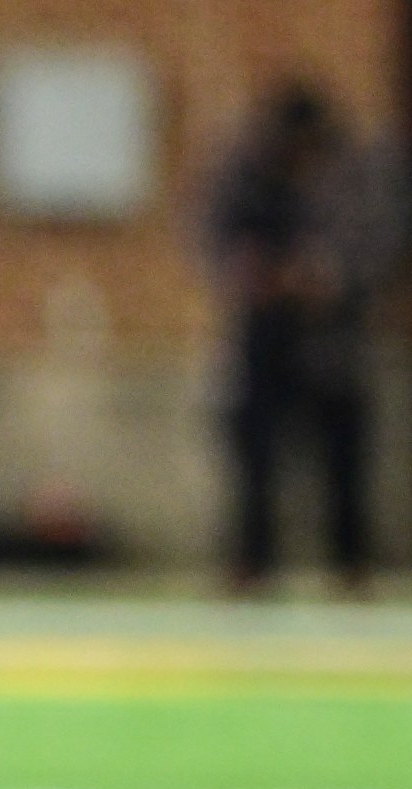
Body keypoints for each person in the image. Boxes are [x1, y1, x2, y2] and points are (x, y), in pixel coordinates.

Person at [208, 83, 401, 595]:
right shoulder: (247, 173)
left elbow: (379, 244)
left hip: (333, 347)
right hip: (262, 344)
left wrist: (326, 276)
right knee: (255, 462)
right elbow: (213, 236)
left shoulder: (351, 177)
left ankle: (351, 567)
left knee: (344, 464)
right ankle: (252, 565)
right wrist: (249, 273)